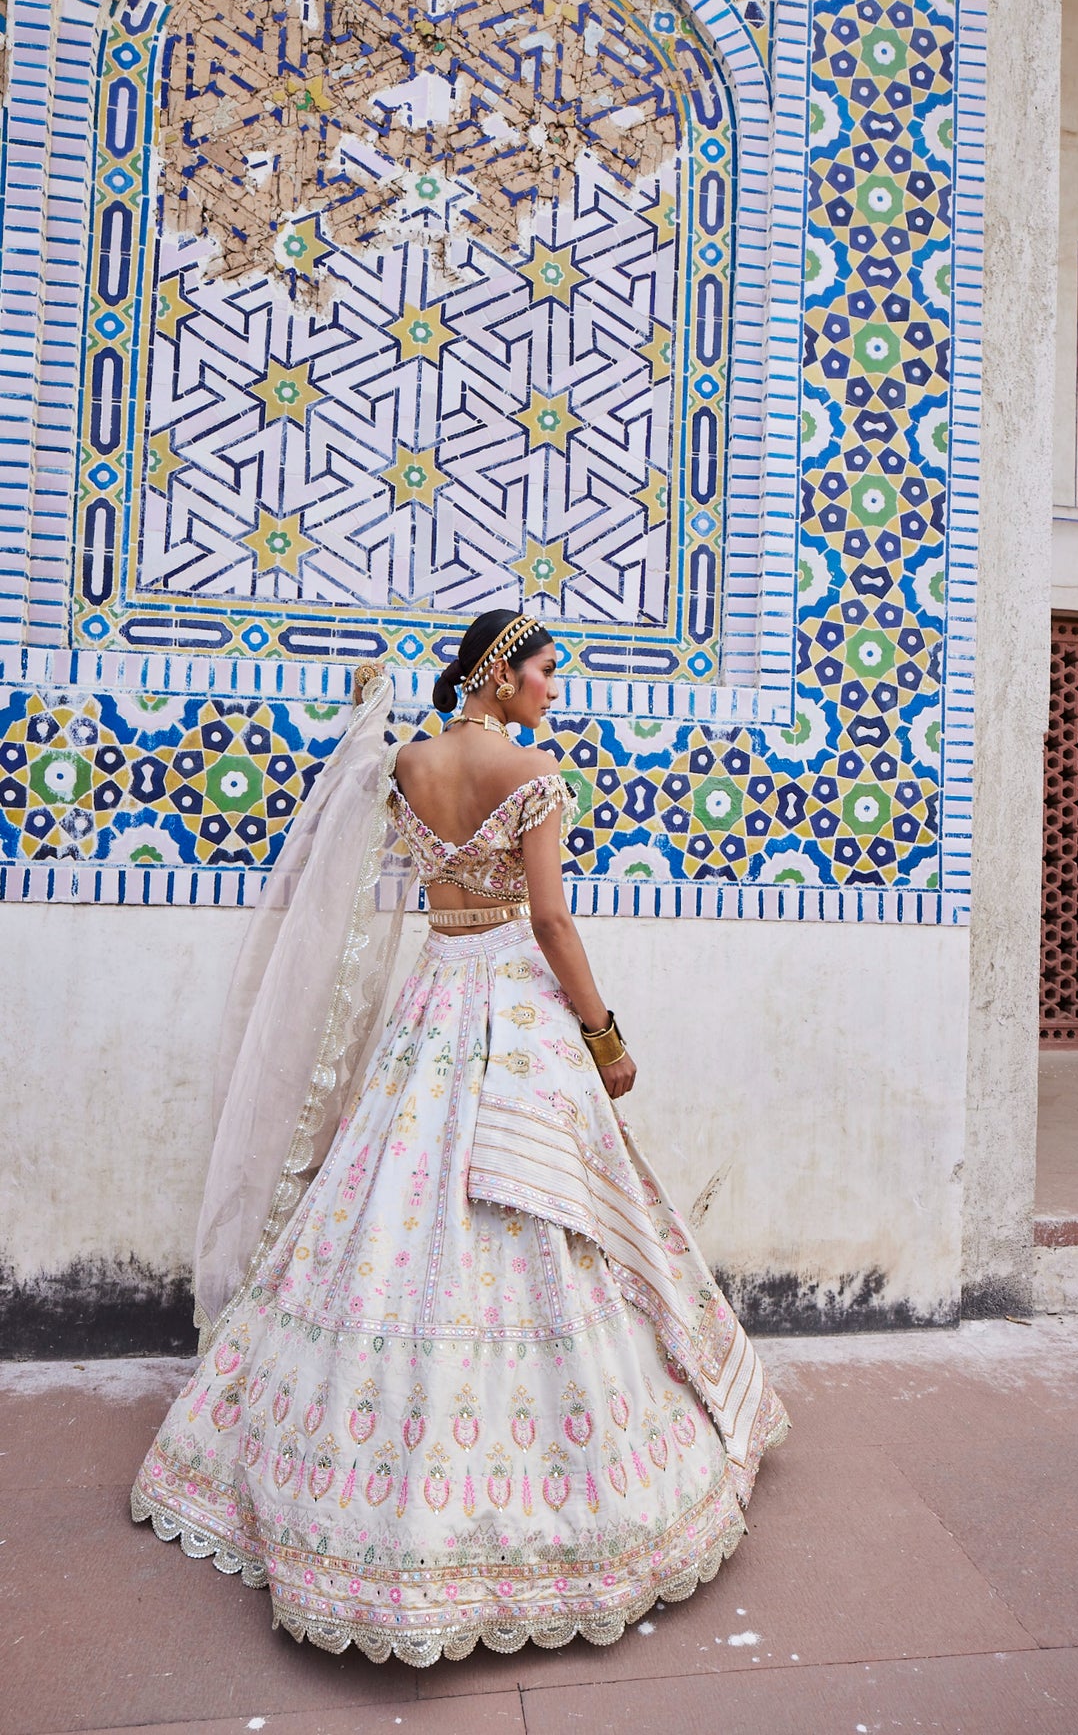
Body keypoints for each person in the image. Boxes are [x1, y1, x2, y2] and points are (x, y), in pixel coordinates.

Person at [132, 609, 788, 1665]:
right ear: (498, 671)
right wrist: (606, 1039)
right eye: (542, 672)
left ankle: (344, 1484)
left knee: (387, 1206)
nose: (552, 691)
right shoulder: (532, 771)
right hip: (517, 1013)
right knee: (544, 1216)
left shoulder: (406, 765)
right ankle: (559, 1502)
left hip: (435, 999)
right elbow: (552, 921)